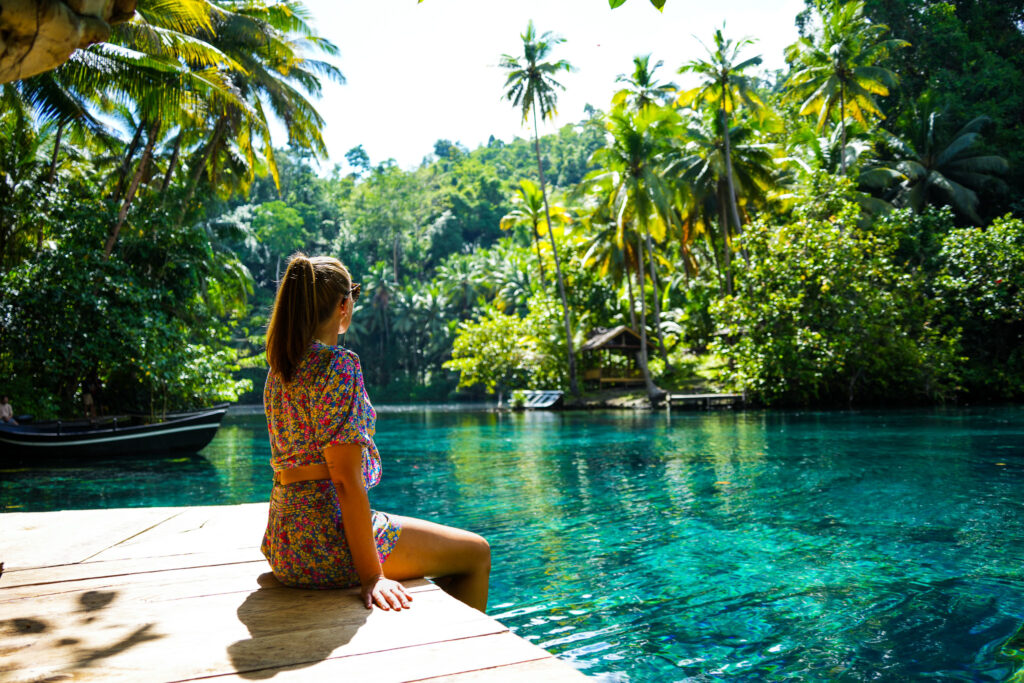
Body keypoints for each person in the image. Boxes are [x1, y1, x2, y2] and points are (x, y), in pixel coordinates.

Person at [261, 253, 490, 612]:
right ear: (342, 305)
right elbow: (344, 481)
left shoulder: (279, 371)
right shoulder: (338, 366)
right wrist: (373, 576)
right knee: (476, 552)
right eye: (353, 294)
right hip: (327, 544)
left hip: (285, 546)